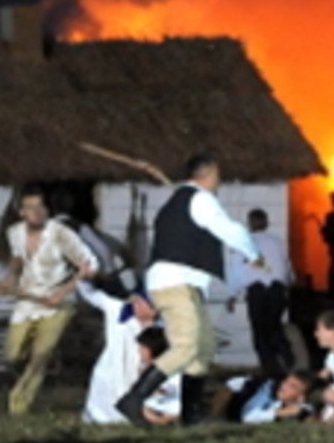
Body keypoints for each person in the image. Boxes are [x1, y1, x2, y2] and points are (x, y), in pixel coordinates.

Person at [116, 152, 263, 427]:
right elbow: (229, 230)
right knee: (186, 347)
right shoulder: (201, 199)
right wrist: (253, 254)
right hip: (175, 283)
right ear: (209, 174)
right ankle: (133, 400)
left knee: (203, 349)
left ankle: (191, 416)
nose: (219, 180)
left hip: (183, 285)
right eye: (218, 175)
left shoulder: (179, 201)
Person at [0, 185, 98, 417]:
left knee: (40, 356)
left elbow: (88, 265)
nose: (36, 212)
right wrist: (9, 279)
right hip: (27, 302)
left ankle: (18, 404)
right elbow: (18, 257)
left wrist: (63, 291)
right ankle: (32, 375)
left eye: (40, 207)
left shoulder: (61, 233)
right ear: (21, 212)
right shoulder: (14, 233)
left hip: (58, 304)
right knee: (12, 355)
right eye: (30, 207)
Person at [78, 281, 160, 425]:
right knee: (105, 397)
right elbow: (91, 295)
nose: (137, 306)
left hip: (138, 373)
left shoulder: (161, 327)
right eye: (136, 302)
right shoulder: (118, 309)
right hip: (112, 368)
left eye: (143, 304)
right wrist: (83, 278)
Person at [226, 208, 295, 374]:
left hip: (257, 291)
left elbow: (237, 271)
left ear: (249, 224)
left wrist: (232, 294)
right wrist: (289, 284)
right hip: (276, 290)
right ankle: (288, 360)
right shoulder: (277, 242)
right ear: (266, 223)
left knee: (260, 333)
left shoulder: (244, 243)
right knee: (275, 327)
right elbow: (287, 267)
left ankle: (271, 370)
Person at [215, 372, 315, 424]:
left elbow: (308, 413)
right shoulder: (268, 390)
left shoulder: (303, 408)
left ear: (301, 396)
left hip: (244, 411)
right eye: (286, 382)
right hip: (242, 397)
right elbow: (247, 416)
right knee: (231, 386)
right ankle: (213, 418)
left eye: (292, 386)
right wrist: (279, 413)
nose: (284, 386)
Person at [132, 327, 185, 427]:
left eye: (143, 348)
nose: (139, 351)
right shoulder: (145, 368)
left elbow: (169, 395)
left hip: (164, 413)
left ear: (153, 348)